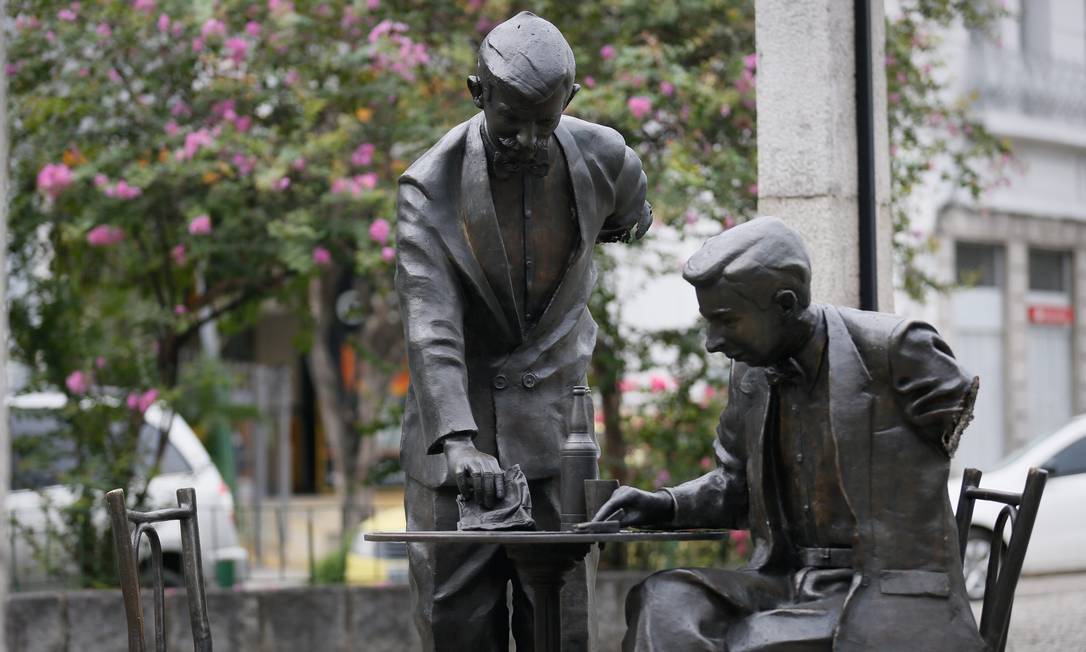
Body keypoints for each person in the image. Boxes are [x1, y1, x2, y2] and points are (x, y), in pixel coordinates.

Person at [593, 216, 985, 651]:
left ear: (784, 303)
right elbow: (733, 486)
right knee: (664, 600)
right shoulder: (750, 373)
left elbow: (951, 402)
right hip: (785, 580)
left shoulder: (895, 350)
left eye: (725, 320)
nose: (712, 341)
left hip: (885, 587)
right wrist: (663, 504)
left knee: (752, 639)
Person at [395, 11, 652, 652]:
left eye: (547, 121)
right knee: (456, 631)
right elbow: (431, 327)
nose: (531, 142)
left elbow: (631, 214)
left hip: (560, 446)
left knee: (562, 632)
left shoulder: (608, 159)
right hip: (461, 458)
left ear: (572, 99)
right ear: (477, 92)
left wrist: (627, 225)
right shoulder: (429, 189)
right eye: (512, 122)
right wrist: (457, 441)